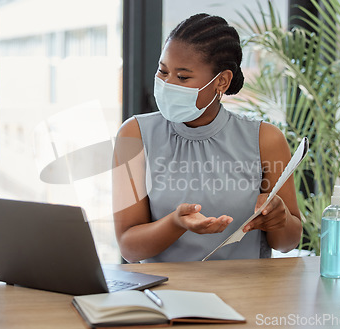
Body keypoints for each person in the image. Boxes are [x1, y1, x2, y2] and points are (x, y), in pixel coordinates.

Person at [112, 13, 302, 263]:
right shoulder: (134, 134)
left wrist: (280, 219)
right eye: (163, 71)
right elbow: (129, 247)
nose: (168, 84)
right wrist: (176, 222)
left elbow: (288, 243)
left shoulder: (265, 140)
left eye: (182, 77)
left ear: (221, 81)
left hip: (246, 293)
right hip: (165, 293)